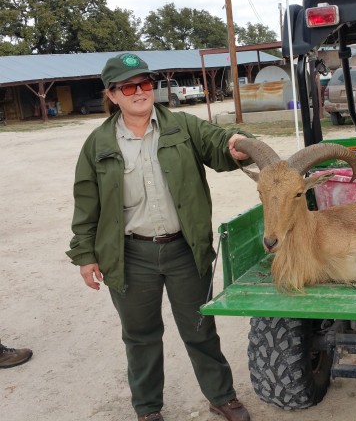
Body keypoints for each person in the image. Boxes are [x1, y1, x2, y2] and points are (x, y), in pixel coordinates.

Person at [66, 53, 252, 421]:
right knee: (140, 337)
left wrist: (238, 143)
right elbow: (86, 203)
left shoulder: (181, 126)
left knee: (200, 328)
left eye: (146, 83)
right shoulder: (98, 143)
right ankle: (148, 409)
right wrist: (85, 254)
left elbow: (219, 144)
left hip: (185, 249)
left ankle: (221, 396)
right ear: (112, 95)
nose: (140, 92)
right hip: (130, 255)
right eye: (129, 87)